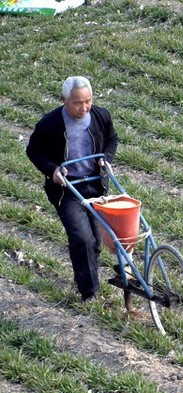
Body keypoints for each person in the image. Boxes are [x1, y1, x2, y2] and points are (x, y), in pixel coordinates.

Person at [26, 75, 120, 304]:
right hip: (67, 189)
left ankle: (88, 275)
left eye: (87, 101)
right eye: (78, 102)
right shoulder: (49, 124)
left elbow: (112, 139)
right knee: (82, 238)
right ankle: (89, 292)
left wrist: (106, 159)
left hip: (95, 184)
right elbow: (34, 151)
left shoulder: (100, 116)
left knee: (95, 240)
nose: (84, 107)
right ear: (63, 100)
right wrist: (53, 170)